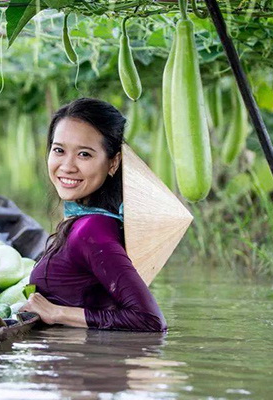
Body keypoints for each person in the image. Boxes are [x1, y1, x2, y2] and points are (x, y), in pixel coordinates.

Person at [20, 98, 167, 332]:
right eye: (59, 150)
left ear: (113, 163)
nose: (67, 166)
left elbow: (149, 320)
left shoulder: (92, 229)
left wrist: (57, 312)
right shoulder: (84, 222)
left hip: (80, 365)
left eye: (84, 154)